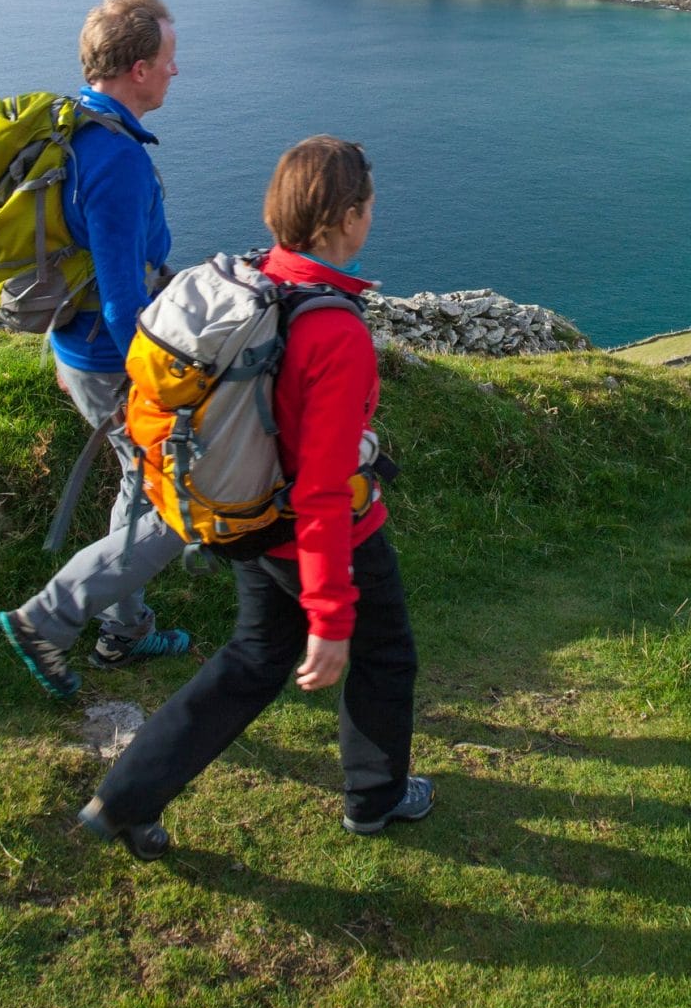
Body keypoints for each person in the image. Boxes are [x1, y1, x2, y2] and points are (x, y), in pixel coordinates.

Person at [78, 136, 428, 858]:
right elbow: (326, 486)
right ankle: (376, 796)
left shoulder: (251, 281)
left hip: (243, 514)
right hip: (314, 532)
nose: (371, 219)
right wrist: (330, 616)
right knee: (384, 651)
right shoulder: (333, 328)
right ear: (347, 218)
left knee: (255, 654)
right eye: (368, 208)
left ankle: (125, 796)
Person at [0, 0, 196, 698]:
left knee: (137, 484)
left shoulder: (78, 129)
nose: (177, 70)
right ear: (138, 67)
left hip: (80, 351)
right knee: (175, 507)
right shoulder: (117, 162)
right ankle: (49, 618)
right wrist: (157, 379)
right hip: (115, 360)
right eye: (169, 59)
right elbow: (118, 295)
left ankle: (126, 630)